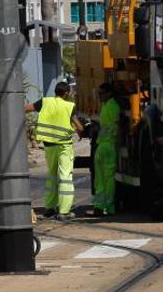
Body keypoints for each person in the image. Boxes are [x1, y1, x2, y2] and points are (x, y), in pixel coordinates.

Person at [25, 82, 83, 220]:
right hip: (64, 146)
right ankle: (64, 211)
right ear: (66, 93)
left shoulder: (44, 102)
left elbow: (26, 108)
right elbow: (79, 127)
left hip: (49, 146)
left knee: (51, 176)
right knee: (65, 177)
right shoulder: (69, 106)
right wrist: (82, 132)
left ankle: (50, 208)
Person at [93, 83, 121, 216]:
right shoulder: (110, 106)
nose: (99, 96)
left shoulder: (109, 107)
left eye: (101, 93)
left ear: (109, 93)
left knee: (101, 179)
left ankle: (100, 206)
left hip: (105, 145)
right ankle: (108, 207)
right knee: (107, 179)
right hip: (107, 146)